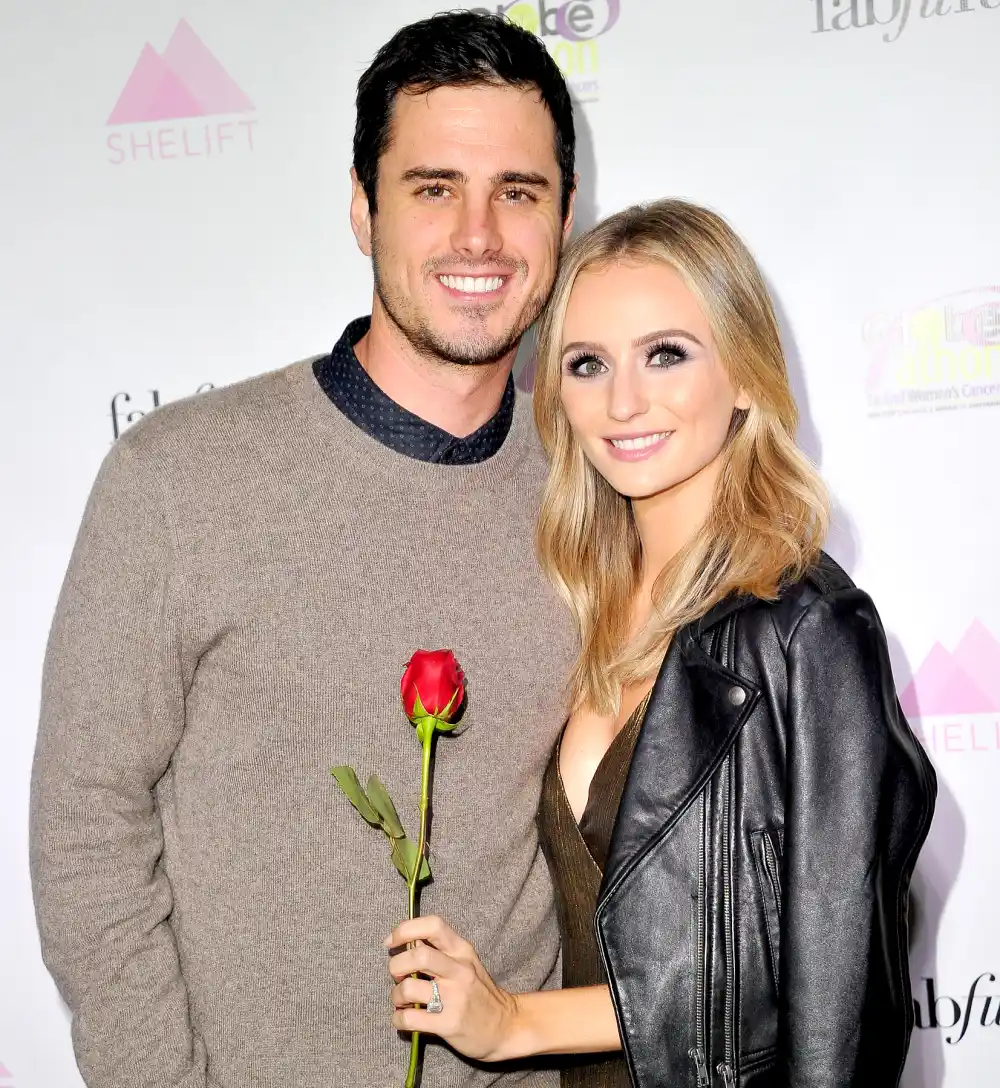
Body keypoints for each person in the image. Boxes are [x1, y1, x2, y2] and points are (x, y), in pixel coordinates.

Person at [30, 12, 579, 1088]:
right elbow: (85, 831)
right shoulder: (178, 478)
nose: (479, 234)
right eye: (432, 188)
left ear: (564, 216)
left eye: (518, 191)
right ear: (361, 210)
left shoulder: (595, 496)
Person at [385, 200, 937, 1087]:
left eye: (666, 354)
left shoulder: (808, 633)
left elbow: (830, 996)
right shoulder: (578, 608)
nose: (624, 401)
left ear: (747, 374)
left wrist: (517, 1020)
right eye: (587, 364)